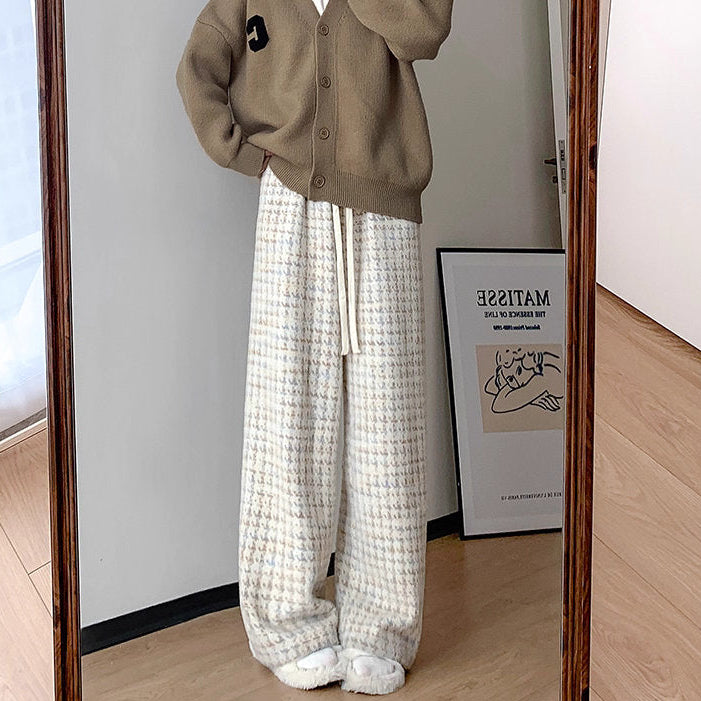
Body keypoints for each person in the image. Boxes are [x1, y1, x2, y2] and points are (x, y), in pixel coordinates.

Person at [176, 0, 453, 693]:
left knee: (387, 427)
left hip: (384, 209)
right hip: (290, 201)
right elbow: (199, 64)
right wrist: (240, 149)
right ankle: (288, 623)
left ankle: (380, 627)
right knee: (288, 419)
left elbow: (425, 29)